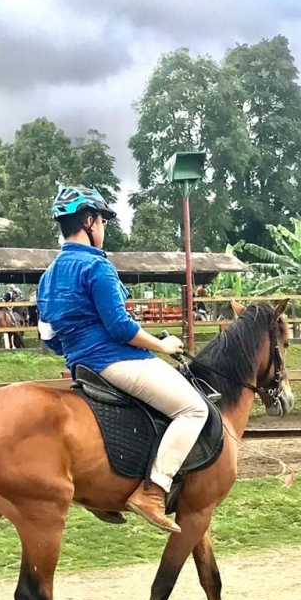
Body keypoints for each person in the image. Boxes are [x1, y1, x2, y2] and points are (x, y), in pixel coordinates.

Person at [36, 185, 208, 535]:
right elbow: (120, 327)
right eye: (101, 221)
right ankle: (154, 490)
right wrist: (164, 345)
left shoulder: (47, 276)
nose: (103, 228)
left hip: (81, 368)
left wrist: (78, 347)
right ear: (88, 221)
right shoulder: (96, 268)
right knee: (195, 410)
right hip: (116, 361)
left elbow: (48, 338)